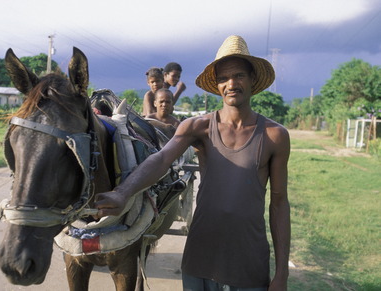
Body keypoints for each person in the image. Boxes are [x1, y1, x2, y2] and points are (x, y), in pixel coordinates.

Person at [94, 35, 291, 291]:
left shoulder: (274, 135)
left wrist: (282, 274)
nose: (231, 84)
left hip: (248, 261)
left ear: (252, 79)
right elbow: (162, 158)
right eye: (223, 78)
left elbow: (279, 203)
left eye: (239, 75)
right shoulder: (198, 127)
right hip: (201, 257)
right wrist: (122, 192)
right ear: (217, 85)